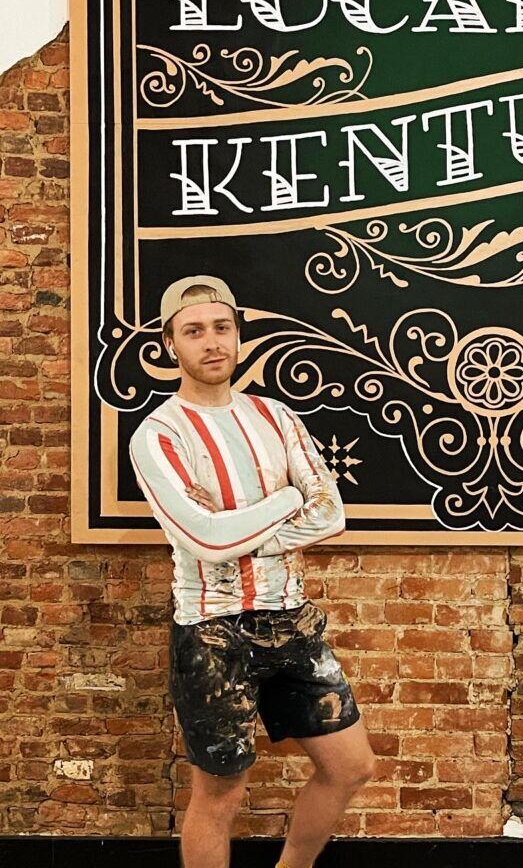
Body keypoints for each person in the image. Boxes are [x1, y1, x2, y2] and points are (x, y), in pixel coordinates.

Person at [129, 275, 376, 868]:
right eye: (194, 331)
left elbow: (332, 512)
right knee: (221, 791)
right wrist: (289, 499)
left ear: (237, 335)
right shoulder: (158, 434)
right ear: (171, 344)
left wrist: (242, 528)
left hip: (290, 618)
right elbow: (206, 541)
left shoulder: (276, 415)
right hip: (213, 632)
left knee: (351, 767)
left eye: (222, 328)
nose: (212, 342)